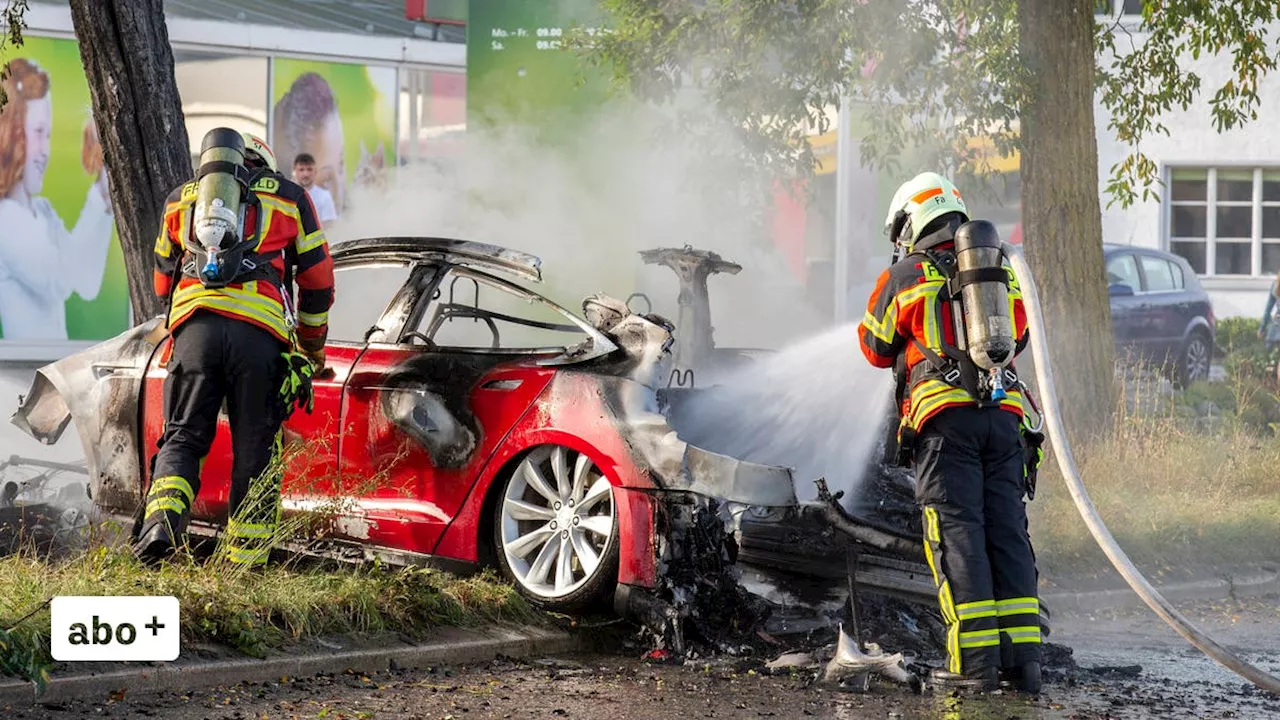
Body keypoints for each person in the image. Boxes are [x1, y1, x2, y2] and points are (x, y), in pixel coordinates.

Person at [858, 171, 1042, 694]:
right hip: (1006, 422)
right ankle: (1023, 664)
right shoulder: (998, 269)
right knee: (1006, 532)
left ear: (912, 221)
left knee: (958, 535)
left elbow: (873, 348)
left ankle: (972, 667)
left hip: (945, 425)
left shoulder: (907, 274)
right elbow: (1019, 335)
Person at [133, 131, 334, 568]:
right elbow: (318, 282)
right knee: (256, 446)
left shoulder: (179, 201)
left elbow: (161, 284)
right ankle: (243, 563)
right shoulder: (290, 196)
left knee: (183, 436)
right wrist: (312, 348)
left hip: (195, 334)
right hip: (259, 338)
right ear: (265, 164)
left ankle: (159, 529)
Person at [0, 58, 114, 340]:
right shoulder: (6, 218)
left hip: (50, 366)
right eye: (38, 133)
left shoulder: (43, 210)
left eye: (48, 135)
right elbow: (62, 279)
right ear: (12, 134)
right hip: (22, 375)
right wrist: (98, 198)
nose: (45, 151)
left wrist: (102, 195)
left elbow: (86, 282)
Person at [273, 73, 346, 214]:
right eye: (326, 180)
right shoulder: (286, 203)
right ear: (293, 171)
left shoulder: (325, 199)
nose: (340, 192)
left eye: (341, 165)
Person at [292, 152, 338, 224]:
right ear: (294, 171)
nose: (306, 174)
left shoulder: (324, 196)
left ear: (315, 171)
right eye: (301, 169)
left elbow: (329, 225)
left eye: (309, 169)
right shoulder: (287, 195)